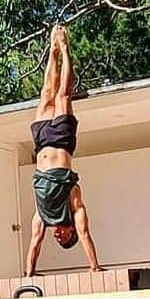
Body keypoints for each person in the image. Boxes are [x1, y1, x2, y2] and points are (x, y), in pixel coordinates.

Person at [25, 24, 101, 276]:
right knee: (63, 97)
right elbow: (85, 234)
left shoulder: (44, 217)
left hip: (41, 142)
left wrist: (29, 273)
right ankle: (65, 49)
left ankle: (52, 51)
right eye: (63, 237)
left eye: (57, 238)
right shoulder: (74, 209)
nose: (58, 234)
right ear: (70, 233)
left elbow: (35, 243)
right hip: (60, 142)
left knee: (46, 93)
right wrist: (94, 266)